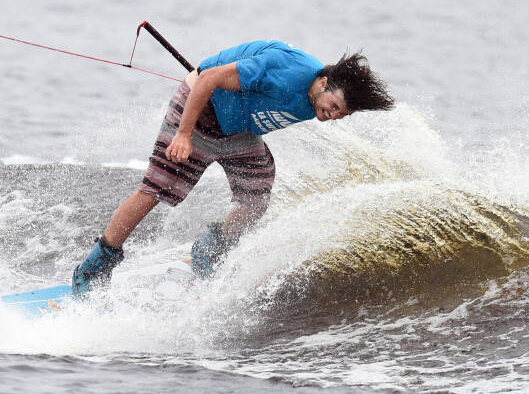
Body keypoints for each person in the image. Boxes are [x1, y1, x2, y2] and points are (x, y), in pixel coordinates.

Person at [71, 40, 394, 296]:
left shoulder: (317, 101)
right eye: (334, 106)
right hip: (199, 116)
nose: (334, 116)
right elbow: (209, 78)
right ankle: (96, 264)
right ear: (322, 82)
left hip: (236, 131)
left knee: (256, 195)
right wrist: (183, 135)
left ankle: (210, 250)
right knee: (158, 190)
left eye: (343, 115)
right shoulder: (287, 72)